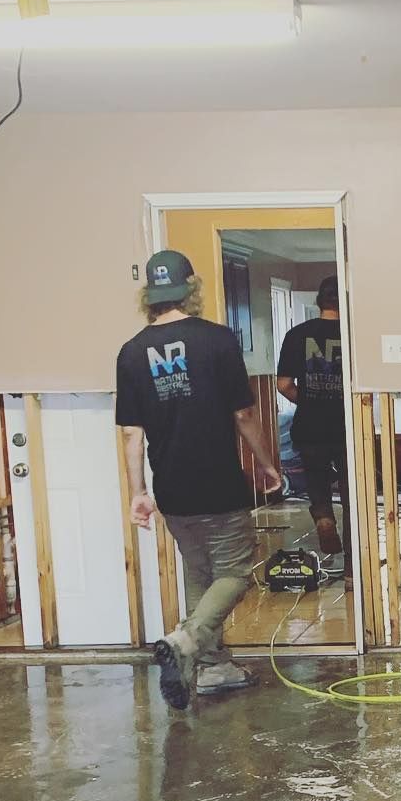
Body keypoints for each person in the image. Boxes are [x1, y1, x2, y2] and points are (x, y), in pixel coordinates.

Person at [116, 249, 282, 711]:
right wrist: (267, 464)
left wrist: (138, 493)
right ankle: (187, 642)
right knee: (233, 572)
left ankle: (213, 668)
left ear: (148, 296)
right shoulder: (218, 340)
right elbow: (244, 414)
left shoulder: (130, 353)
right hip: (218, 483)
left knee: (199, 571)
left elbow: (132, 434)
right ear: (191, 290)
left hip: (172, 488)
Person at [277, 275, 349, 559]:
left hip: (310, 425)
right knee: (350, 488)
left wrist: (307, 400)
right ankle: (352, 565)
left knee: (317, 481)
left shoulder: (296, 335)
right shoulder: (355, 335)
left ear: (319, 301)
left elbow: (283, 385)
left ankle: (323, 518)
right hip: (347, 427)